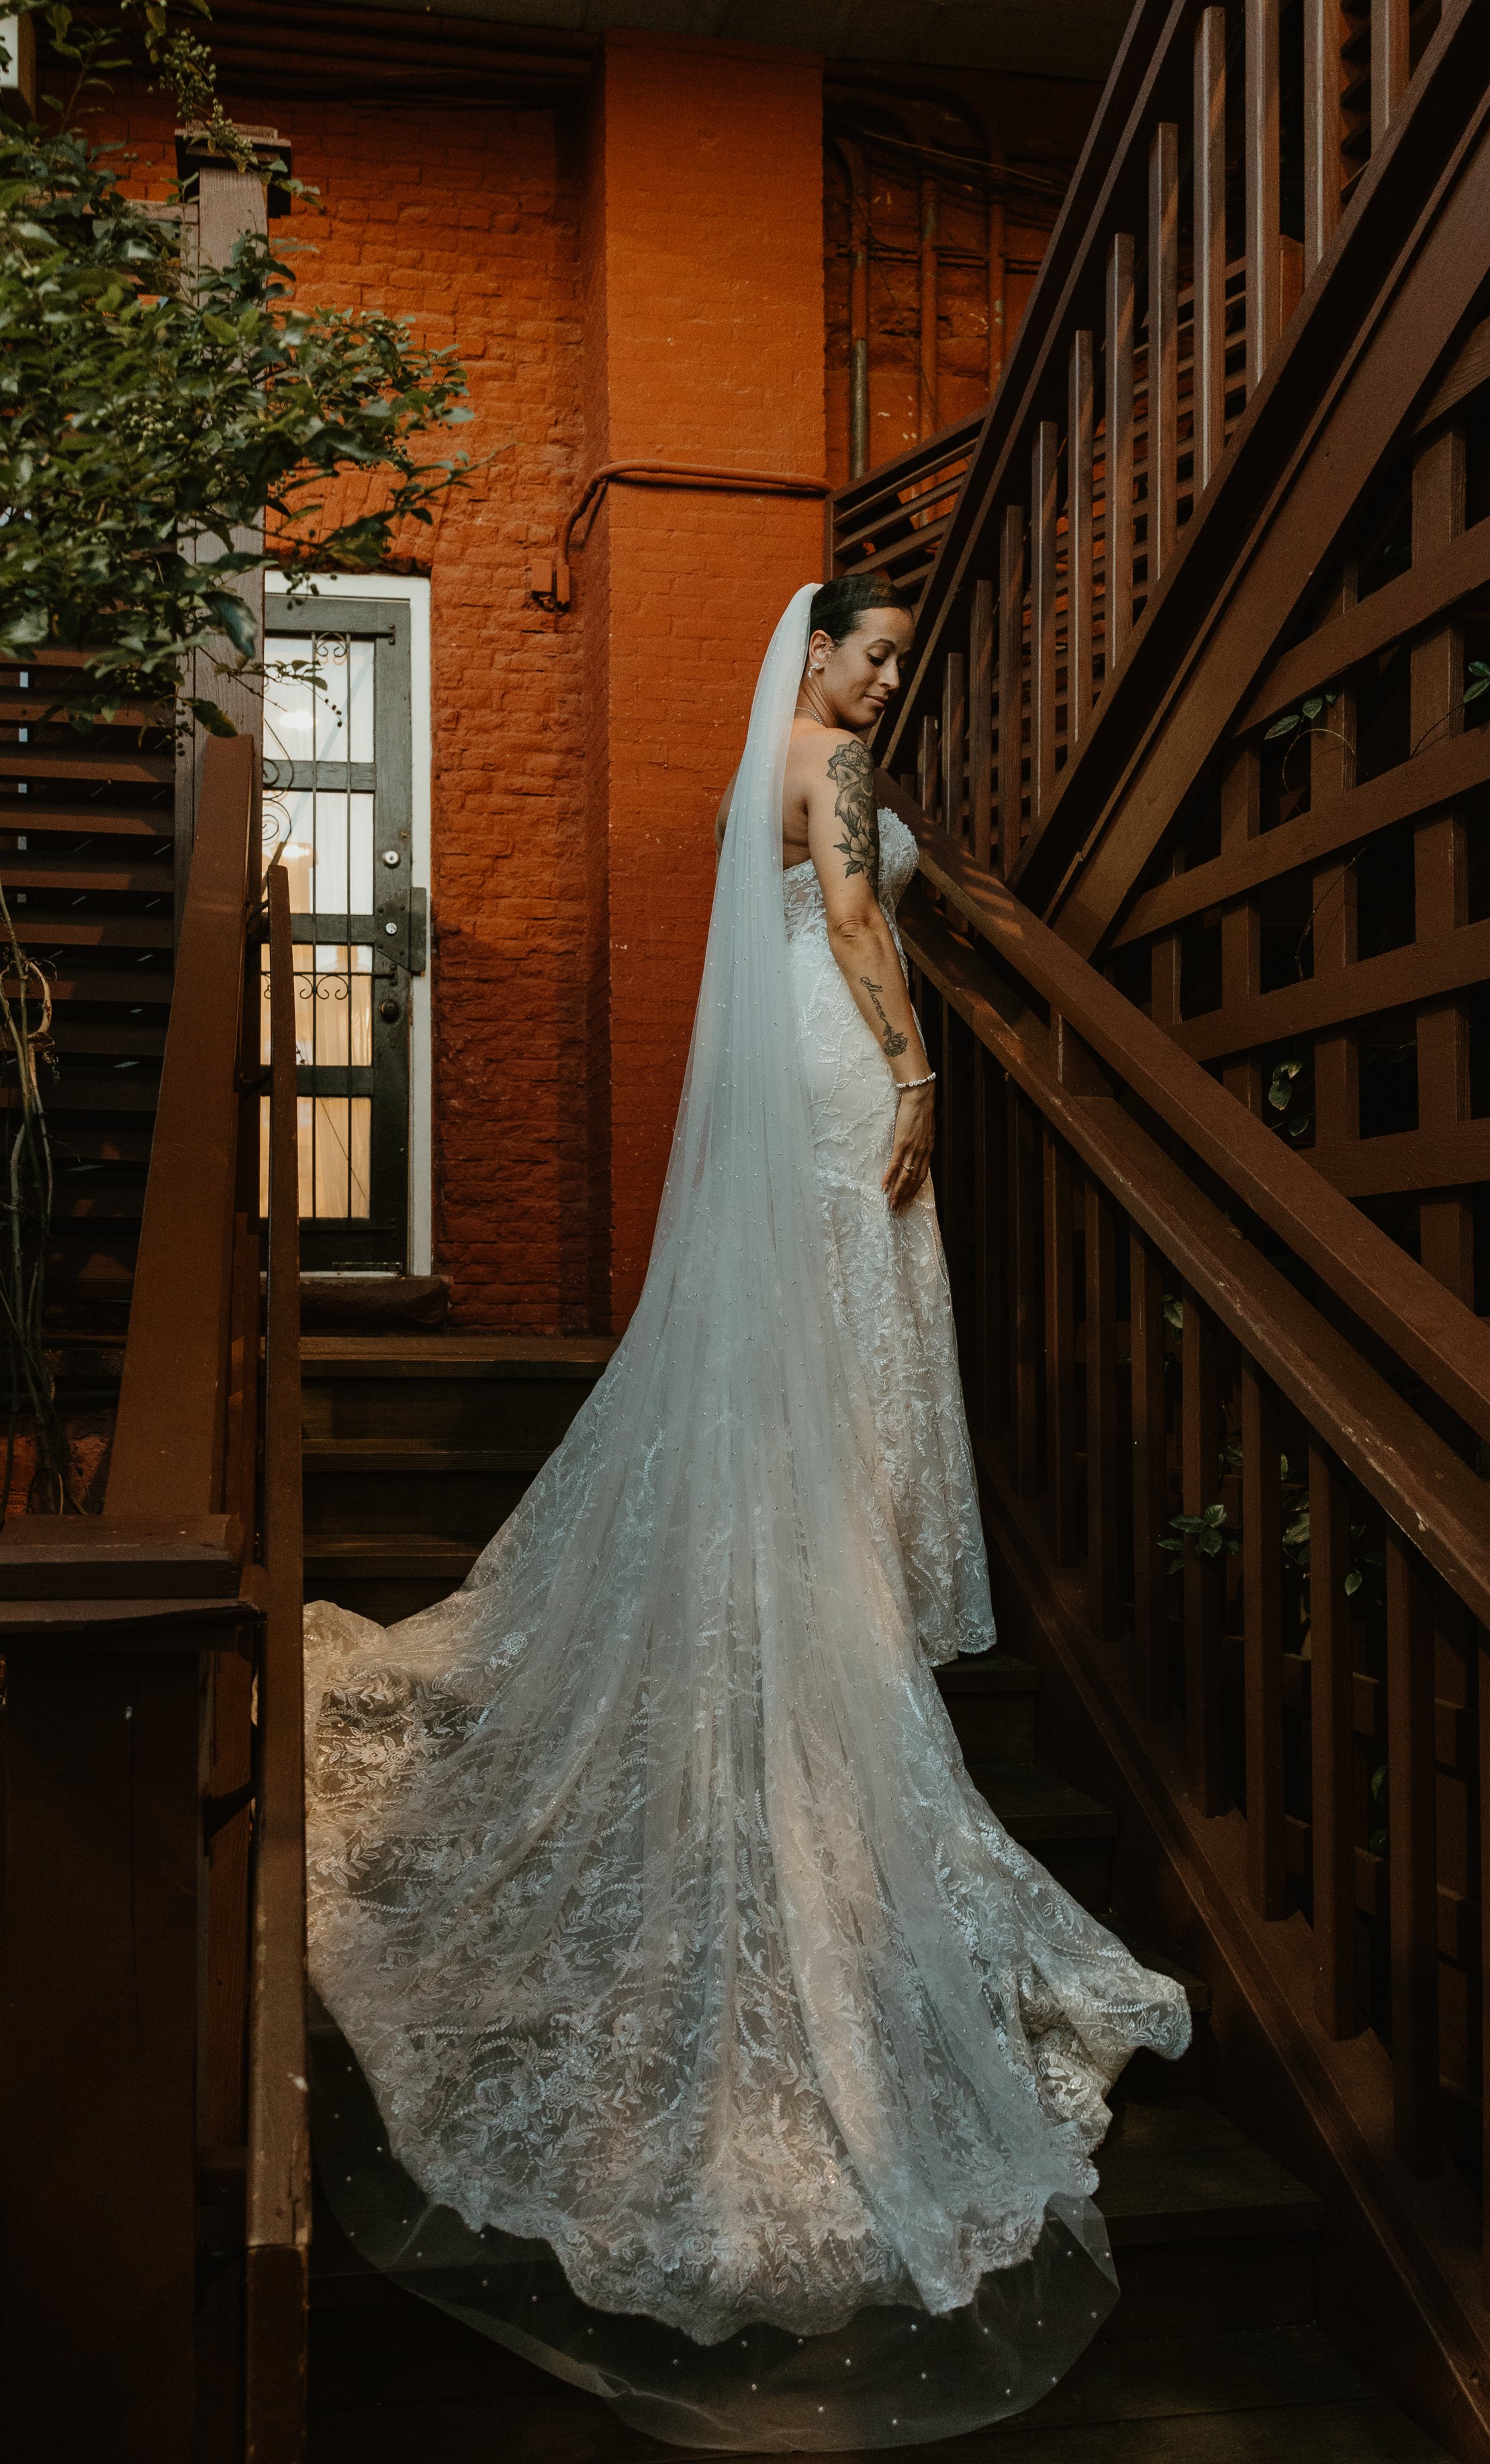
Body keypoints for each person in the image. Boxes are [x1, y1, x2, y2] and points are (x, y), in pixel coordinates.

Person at [303, 574, 1190, 2452]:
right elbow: (857, 909)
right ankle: (828, 1572)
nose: (881, 682)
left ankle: (813, 1559)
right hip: (839, 1047)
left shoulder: (767, 764)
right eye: (865, 655)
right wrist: (925, 1063)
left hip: (791, 1044)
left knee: (821, 1309)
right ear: (813, 652)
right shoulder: (828, 774)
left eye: (885, 665)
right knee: (857, 1293)